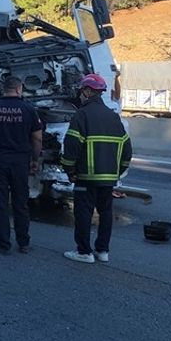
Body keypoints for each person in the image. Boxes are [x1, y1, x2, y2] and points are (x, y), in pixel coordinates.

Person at [61, 73, 132, 264]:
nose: (80, 95)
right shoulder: (113, 117)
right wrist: (117, 173)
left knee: (83, 213)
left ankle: (84, 252)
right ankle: (103, 251)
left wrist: (69, 170)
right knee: (105, 213)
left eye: (81, 92)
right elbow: (127, 150)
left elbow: (71, 146)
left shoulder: (81, 115)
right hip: (108, 179)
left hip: (86, 176)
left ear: (87, 91)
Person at [0, 76, 44, 255]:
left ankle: (3, 243)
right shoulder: (29, 110)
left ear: (4, 89)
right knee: (20, 202)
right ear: (19, 89)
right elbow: (37, 138)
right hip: (20, 162)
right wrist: (34, 160)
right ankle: (23, 242)